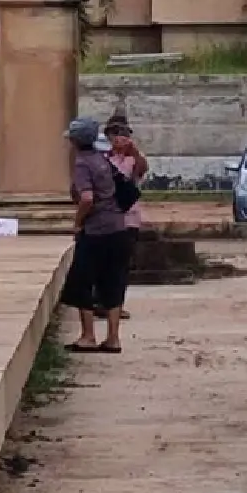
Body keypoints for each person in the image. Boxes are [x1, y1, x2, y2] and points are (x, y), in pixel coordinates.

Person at [61, 117, 132, 353]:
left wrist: (77, 222)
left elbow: (87, 198)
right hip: (117, 228)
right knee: (113, 281)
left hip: (95, 230)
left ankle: (88, 336)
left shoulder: (82, 163)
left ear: (74, 140)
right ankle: (113, 338)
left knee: (83, 282)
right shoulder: (103, 160)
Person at [102, 114, 148, 320]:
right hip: (108, 217)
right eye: (114, 134)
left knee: (122, 265)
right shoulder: (104, 158)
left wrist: (133, 149)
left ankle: (116, 304)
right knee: (104, 263)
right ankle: (103, 302)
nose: (118, 138)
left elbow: (141, 170)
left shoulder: (133, 159)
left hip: (129, 217)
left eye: (122, 133)